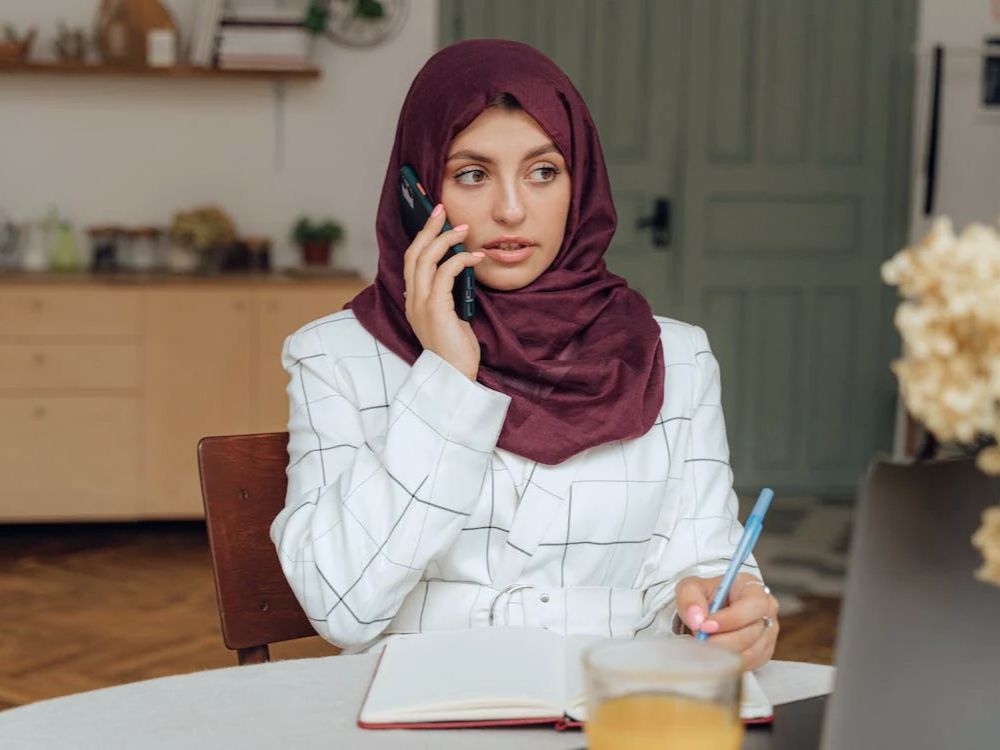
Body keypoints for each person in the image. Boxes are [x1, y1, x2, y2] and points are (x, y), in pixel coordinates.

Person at [270, 39, 779, 669]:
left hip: (607, 710)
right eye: (472, 174)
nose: (512, 210)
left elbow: (699, 572)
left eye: (543, 172)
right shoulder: (335, 356)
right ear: (419, 191)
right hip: (413, 716)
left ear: (581, 182)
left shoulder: (674, 356)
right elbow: (342, 605)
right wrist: (447, 375)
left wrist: (722, 613)